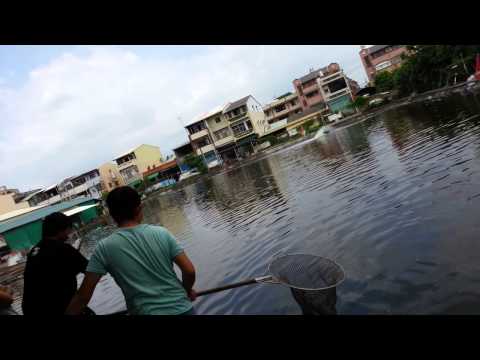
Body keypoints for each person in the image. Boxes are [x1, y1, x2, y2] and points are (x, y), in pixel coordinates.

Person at [66, 186, 197, 315]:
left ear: (111, 215)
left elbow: (83, 297)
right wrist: (186, 291)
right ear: (139, 208)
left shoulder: (103, 248)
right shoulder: (162, 233)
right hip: (183, 309)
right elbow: (189, 270)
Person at [22, 212, 95, 315]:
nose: (68, 235)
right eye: (68, 230)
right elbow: (92, 271)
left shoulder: (34, 252)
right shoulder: (63, 249)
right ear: (61, 230)